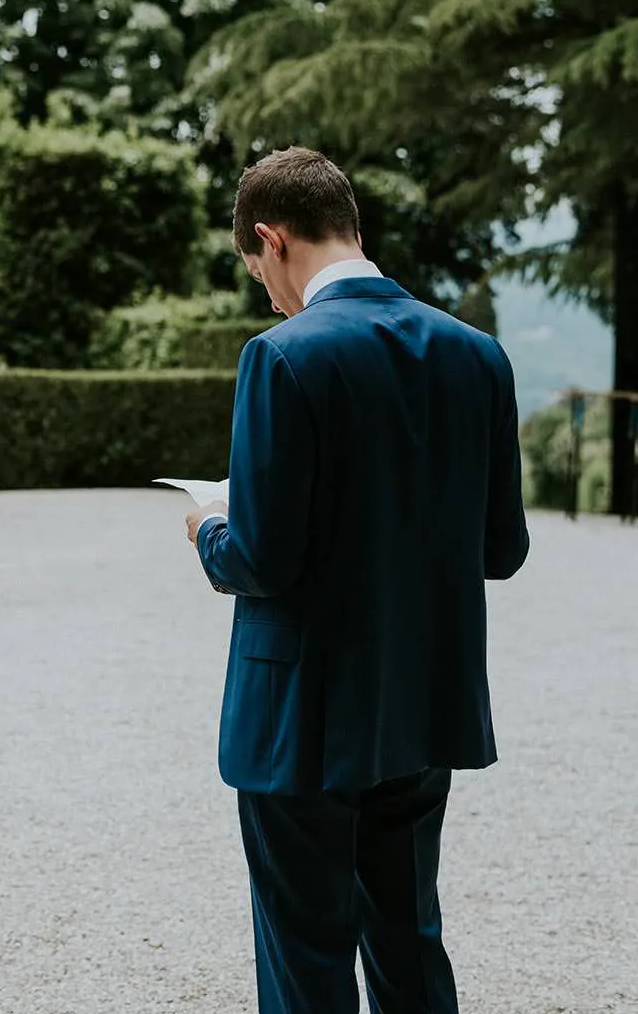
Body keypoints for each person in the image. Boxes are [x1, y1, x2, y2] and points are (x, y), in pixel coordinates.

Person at [185, 146, 531, 1013]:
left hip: (302, 714)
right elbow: (502, 550)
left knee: (306, 962)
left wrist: (206, 527)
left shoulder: (284, 356)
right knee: (409, 946)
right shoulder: (478, 354)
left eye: (258, 268)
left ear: (272, 238)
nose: (267, 292)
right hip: (420, 708)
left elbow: (260, 558)